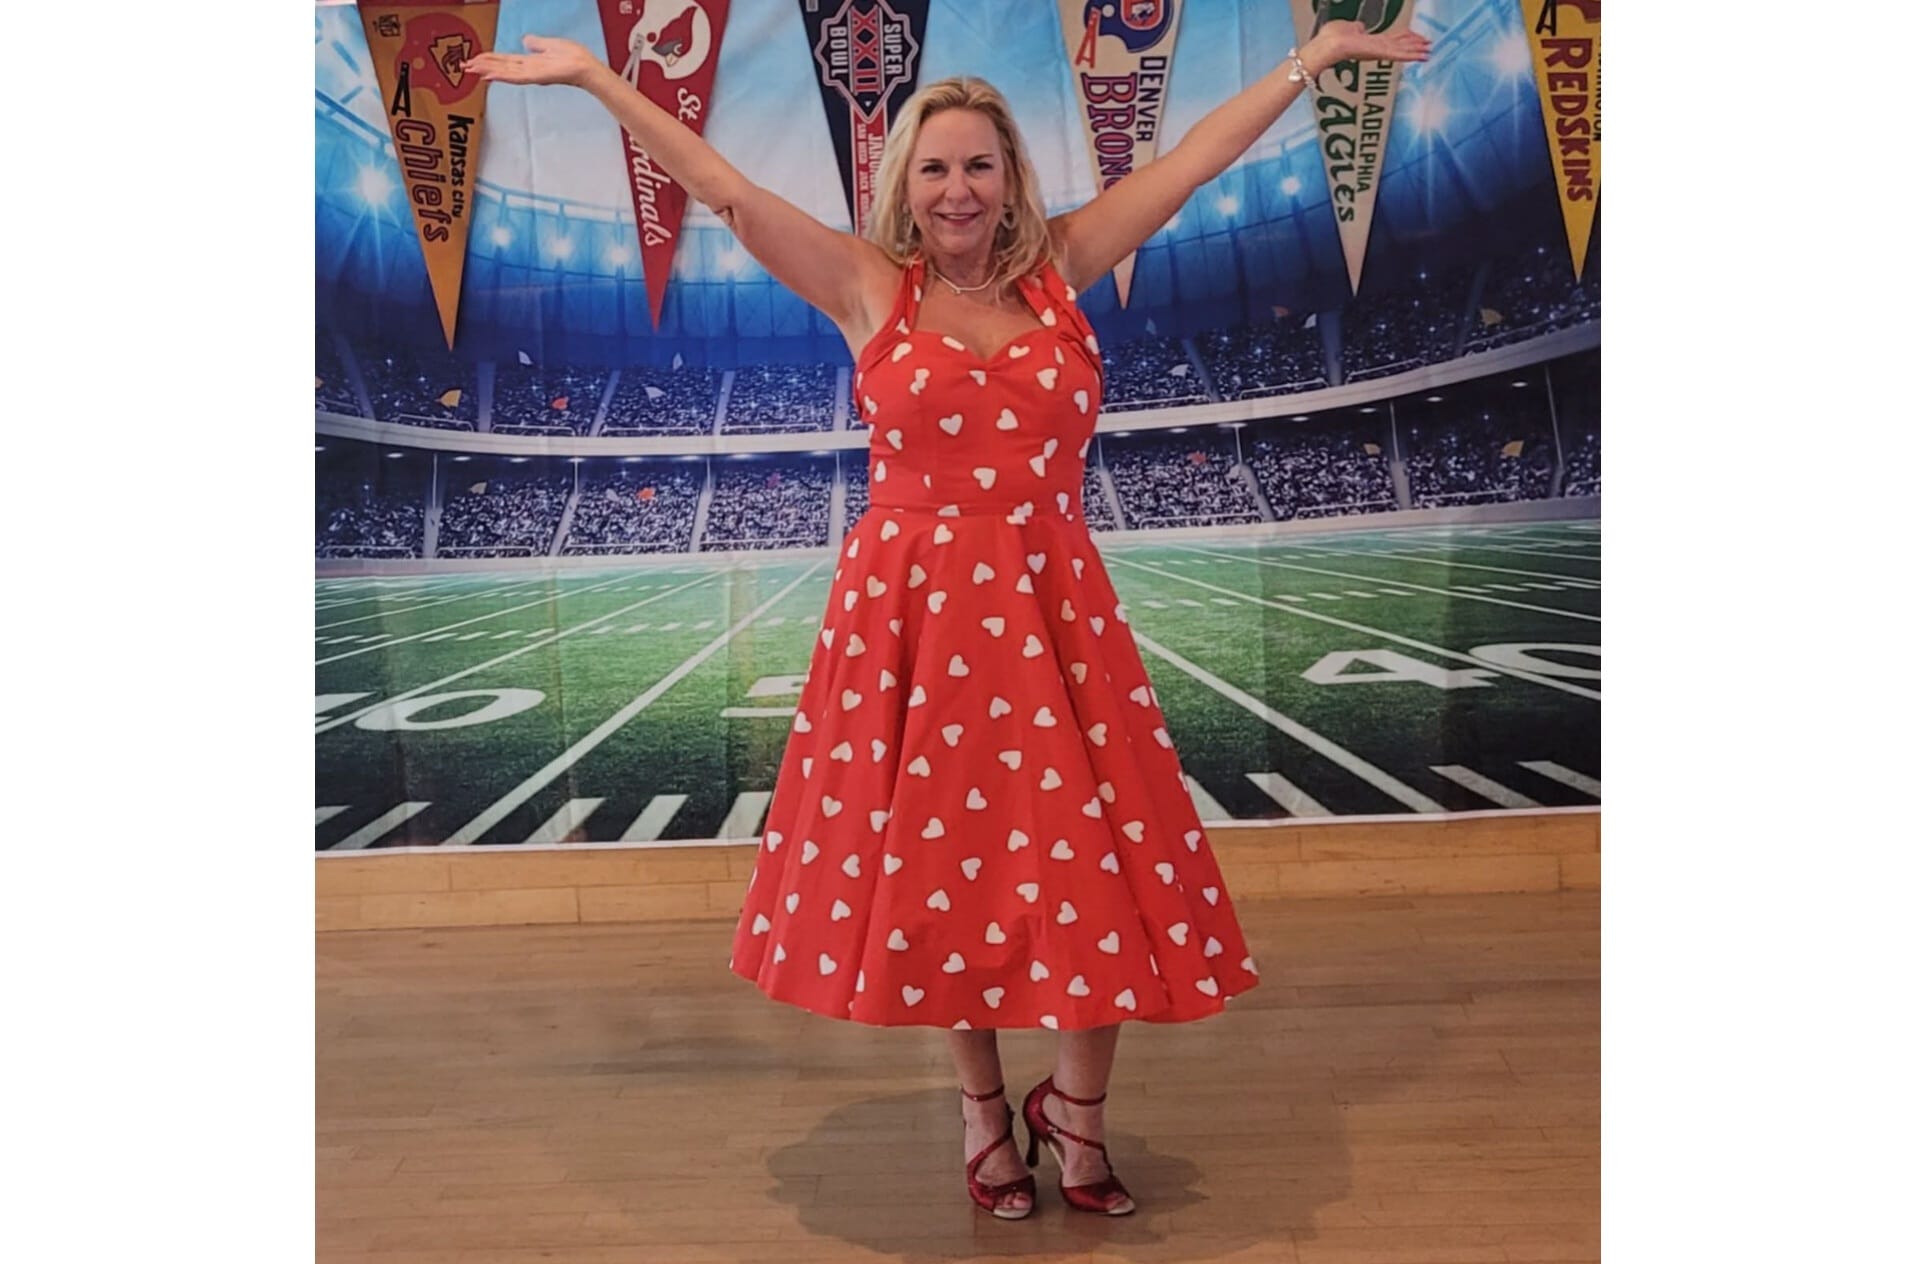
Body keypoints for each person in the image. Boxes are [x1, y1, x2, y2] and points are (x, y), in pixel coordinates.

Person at [466, 14, 1430, 1221]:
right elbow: (725, 191)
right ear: (903, 184)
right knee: (943, 874)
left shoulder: (1063, 265)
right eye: (933, 167)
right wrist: (598, 79)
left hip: (1053, 615)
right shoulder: (868, 286)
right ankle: (982, 1112)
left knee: (1087, 867)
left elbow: (1193, 161)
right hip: (912, 626)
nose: (957, 188)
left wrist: (1311, 58)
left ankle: (1076, 1117)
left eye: (978, 163)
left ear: (1009, 176)